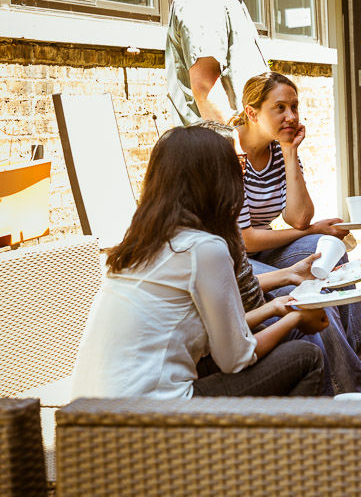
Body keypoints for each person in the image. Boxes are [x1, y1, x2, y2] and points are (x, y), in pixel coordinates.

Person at [72, 126, 326, 398]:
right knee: (306, 356)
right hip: (149, 413)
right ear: (219, 181)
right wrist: (296, 318)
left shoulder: (139, 244)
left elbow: (214, 338)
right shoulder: (203, 248)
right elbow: (236, 358)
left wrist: (275, 307)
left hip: (90, 412)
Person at [233, 73, 361, 386]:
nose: (291, 116)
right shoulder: (232, 151)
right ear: (251, 113)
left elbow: (299, 218)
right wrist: (310, 231)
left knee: (327, 252)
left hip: (262, 251)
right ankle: (354, 383)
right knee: (311, 287)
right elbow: (245, 240)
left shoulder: (278, 150)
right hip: (233, 258)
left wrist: (289, 152)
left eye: (294, 107)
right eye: (280, 107)